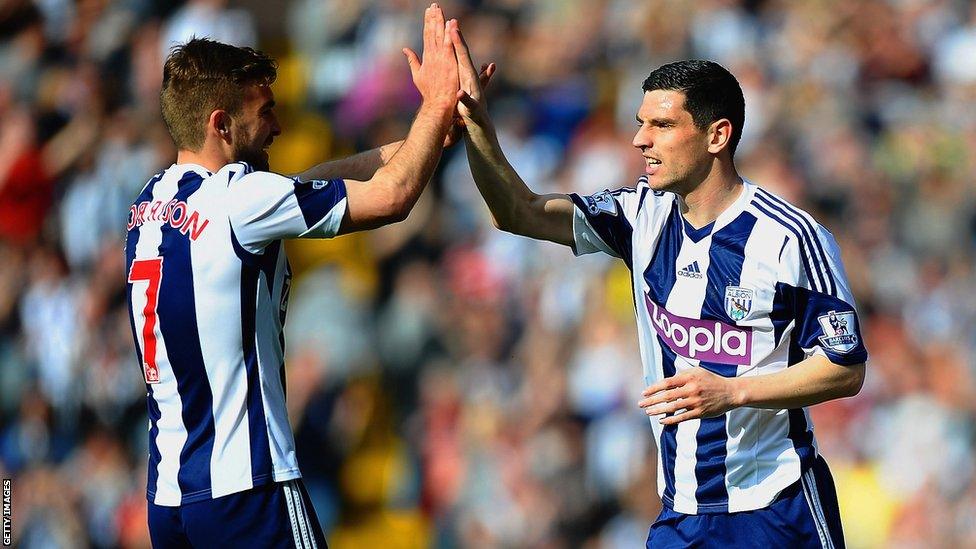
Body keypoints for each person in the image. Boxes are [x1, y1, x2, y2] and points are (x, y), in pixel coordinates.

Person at [451, 28, 867, 549]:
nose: (639, 140)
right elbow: (518, 212)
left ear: (717, 136)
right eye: (640, 123)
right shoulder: (638, 214)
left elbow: (845, 369)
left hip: (777, 509)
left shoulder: (790, 238)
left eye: (662, 125)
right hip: (682, 516)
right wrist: (474, 121)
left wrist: (734, 391)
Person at [125, 5, 465, 547]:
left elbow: (304, 185)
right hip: (250, 489)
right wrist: (439, 103)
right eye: (265, 112)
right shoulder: (241, 198)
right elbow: (393, 198)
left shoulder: (151, 202)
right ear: (221, 123)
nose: (279, 126)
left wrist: (424, 134)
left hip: (170, 502)